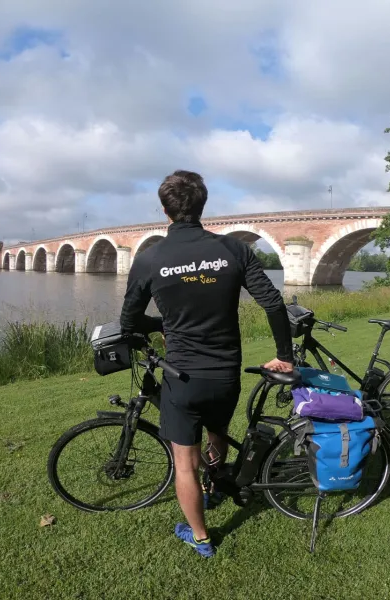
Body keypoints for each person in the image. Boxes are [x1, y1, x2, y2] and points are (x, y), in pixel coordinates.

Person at [119, 170, 294, 558]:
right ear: (202, 205)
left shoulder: (150, 259)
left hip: (182, 377)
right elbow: (273, 302)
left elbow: (128, 322)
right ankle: (214, 489)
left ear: (164, 210)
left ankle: (200, 537)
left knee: (185, 463)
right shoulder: (233, 250)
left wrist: (161, 325)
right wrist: (285, 355)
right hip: (226, 372)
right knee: (218, 433)